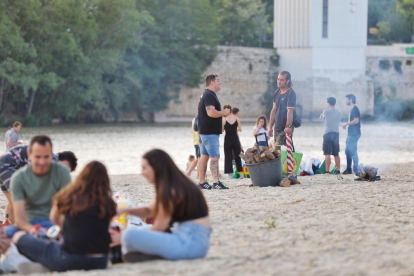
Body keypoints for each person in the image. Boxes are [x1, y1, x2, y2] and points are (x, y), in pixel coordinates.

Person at [12, 161, 116, 272]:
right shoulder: (108, 203)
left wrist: (64, 227)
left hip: (72, 259)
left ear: (82, 176)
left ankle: (42, 266)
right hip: (101, 261)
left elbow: (53, 218)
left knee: (19, 236)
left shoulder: (69, 196)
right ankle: (43, 266)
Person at [110, 149, 211, 261]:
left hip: (189, 245)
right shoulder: (176, 183)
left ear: (156, 168)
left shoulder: (172, 190)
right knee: (139, 229)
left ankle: (131, 251)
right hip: (191, 241)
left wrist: (123, 238)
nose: (141, 173)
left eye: (144, 168)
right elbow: (149, 211)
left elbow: (159, 227)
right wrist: (123, 211)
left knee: (129, 235)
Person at [3, 135, 72, 238]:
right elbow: (20, 220)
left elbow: (67, 209)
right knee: (3, 234)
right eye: (38, 157)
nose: (42, 162)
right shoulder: (18, 178)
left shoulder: (62, 172)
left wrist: (59, 228)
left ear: (51, 154)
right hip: (28, 225)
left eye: (46, 157)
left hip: (53, 223)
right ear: (29, 154)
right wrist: (33, 230)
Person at [197, 74, 230, 190]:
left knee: (204, 157)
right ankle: (216, 183)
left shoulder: (207, 94)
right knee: (214, 157)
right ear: (211, 82)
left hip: (204, 132)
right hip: (209, 133)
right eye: (218, 80)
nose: (220, 82)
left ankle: (201, 182)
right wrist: (223, 112)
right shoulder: (209, 95)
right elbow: (210, 112)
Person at [268, 71, 297, 178]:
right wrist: (270, 127)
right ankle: (284, 172)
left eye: (281, 80)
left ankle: (284, 173)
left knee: (278, 148)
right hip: (277, 127)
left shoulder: (291, 93)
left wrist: (289, 126)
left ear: (287, 81)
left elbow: (290, 112)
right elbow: (273, 110)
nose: (279, 81)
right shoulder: (276, 92)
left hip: (286, 126)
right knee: (282, 149)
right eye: (278, 79)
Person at [321, 97, 342, 174]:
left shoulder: (325, 111)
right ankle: (338, 170)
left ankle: (327, 170)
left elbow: (324, 120)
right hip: (336, 133)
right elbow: (338, 121)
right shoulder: (339, 112)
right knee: (336, 153)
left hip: (327, 133)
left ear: (328, 103)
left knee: (327, 153)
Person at [342, 94, 361, 175]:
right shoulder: (352, 109)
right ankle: (352, 168)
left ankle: (352, 168)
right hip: (352, 133)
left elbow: (356, 121)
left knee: (350, 150)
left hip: (354, 133)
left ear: (351, 100)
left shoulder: (355, 109)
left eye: (347, 99)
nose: (346, 101)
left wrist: (346, 123)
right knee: (350, 150)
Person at [222, 105, 243, 179]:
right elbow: (240, 129)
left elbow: (222, 130)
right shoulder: (237, 118)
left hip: (227, 138)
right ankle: (241, 174)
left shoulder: (224, 119)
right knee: (238, 156)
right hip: (235, 138)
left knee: (228, 157)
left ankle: (230, 176)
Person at [187, 114, 201, 178]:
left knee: (198, 158)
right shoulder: (201, 118)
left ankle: (190, 172)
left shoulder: (193, 119)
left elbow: (191, 131)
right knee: (199, 159)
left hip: (195, 141)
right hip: (200, 141)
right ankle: (198, 174)